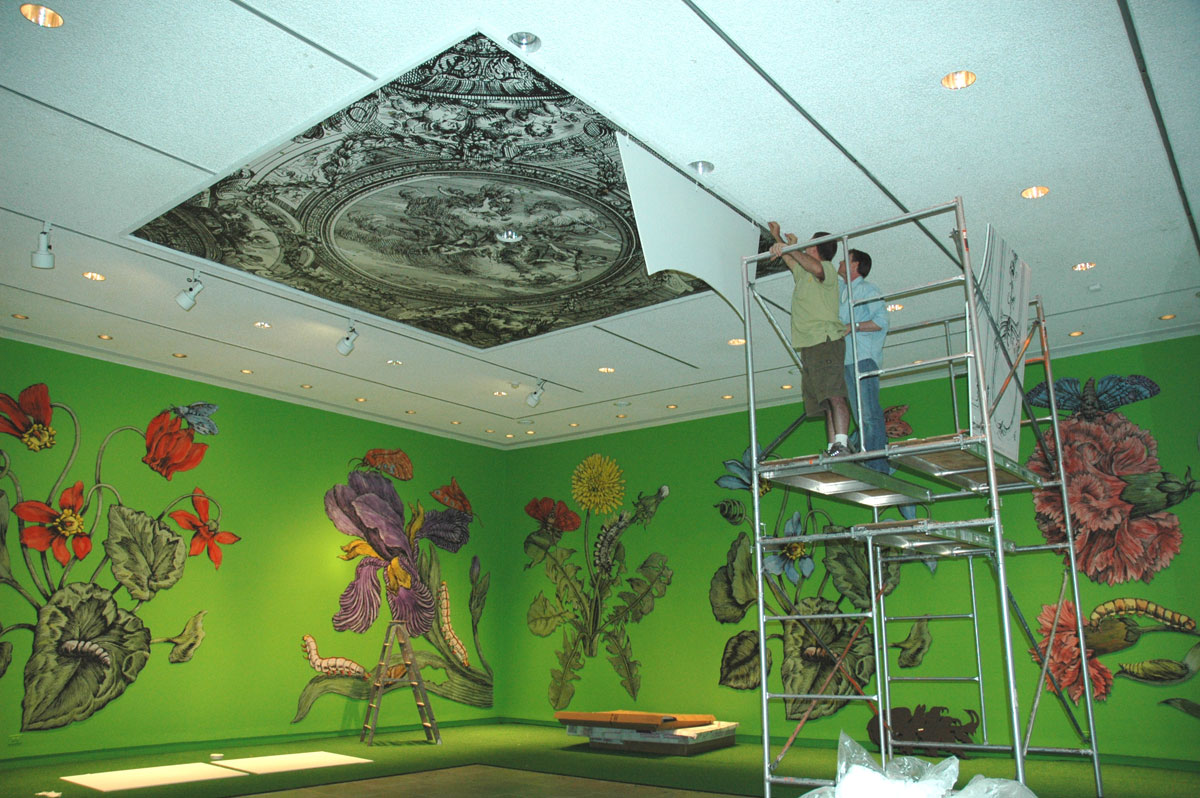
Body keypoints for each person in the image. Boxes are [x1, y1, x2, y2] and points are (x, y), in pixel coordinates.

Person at [839, 249, 917, 519]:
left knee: (870, 414)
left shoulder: (868, 289)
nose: (840, 262)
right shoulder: (843, 291)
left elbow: (882, 322)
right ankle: (871, 461)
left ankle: (878, 467)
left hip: (864, 358)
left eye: (845, 258)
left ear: (856, 265)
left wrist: (853, 326)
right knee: (861, 416)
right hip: (848, 359)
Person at [769, 223, 851, 457]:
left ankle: (842, 443)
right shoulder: (805, 274)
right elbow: (791, 260)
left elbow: (813, 266)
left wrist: (790, 247)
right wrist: (776, 237)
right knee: (825, 400)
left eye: (810, 244)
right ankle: (833, 447)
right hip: (810, 344)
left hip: (825, 339)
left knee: (834, 394)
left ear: (816, 248)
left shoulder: (827, 270)